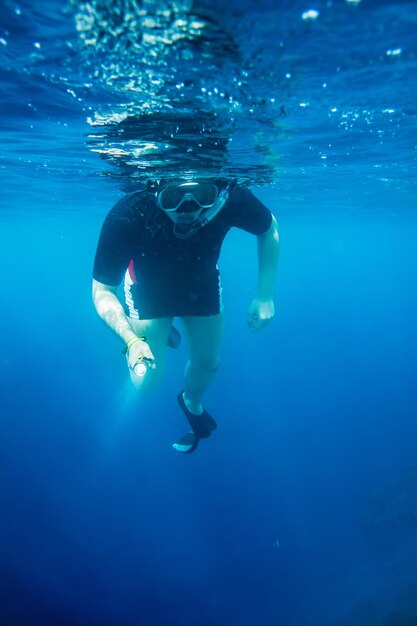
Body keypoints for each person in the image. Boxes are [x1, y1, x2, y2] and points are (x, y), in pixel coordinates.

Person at [92, 177, 279, 453]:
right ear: (156, 192)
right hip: (148, 292)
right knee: (145, 381)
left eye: (201, 195)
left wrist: (265, 295)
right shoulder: (130, 213)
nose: (187, 207)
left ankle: (191, 401)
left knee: (209, 363)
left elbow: (268, 227)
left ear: (215, 191)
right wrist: (131, 341)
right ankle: (161, 329)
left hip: (200, 286)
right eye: (172, 199)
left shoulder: (230, 199)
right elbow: (102, 290)